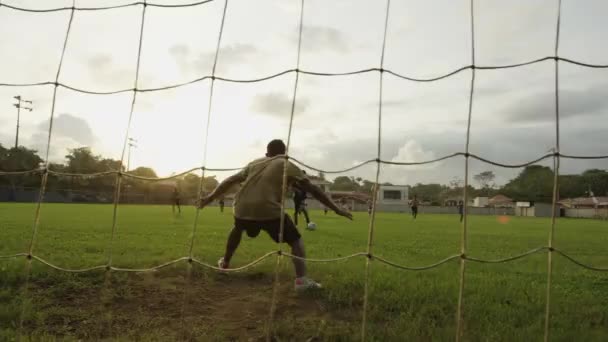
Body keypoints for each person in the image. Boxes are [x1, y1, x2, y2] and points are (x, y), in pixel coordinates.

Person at [197, 139, 352, 291]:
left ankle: (225, 263)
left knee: (238, 228)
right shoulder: (286, 164)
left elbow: (230, 180)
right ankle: (301, 281)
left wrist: (207, 199)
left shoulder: (255, 163)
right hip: (268, 209)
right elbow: (313, 189)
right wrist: (336, 208)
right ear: (285, 153)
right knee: (296, 240)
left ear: (266, 153)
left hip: (241, 207)